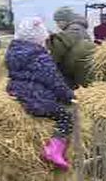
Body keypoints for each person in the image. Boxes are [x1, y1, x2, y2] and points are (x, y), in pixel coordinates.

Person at [7, 17, 75, 170]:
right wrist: (69, 96)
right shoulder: (40, 57)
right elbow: (54, 82)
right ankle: (54, 150)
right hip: (36, 98)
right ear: (38, 38)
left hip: (16, 93)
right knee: (65, 117)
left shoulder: (12, 52)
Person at [48, 23, 96, 89]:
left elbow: (55, 62)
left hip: (81, 64)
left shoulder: (56, 42)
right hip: (88, 60)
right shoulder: (70, 37)